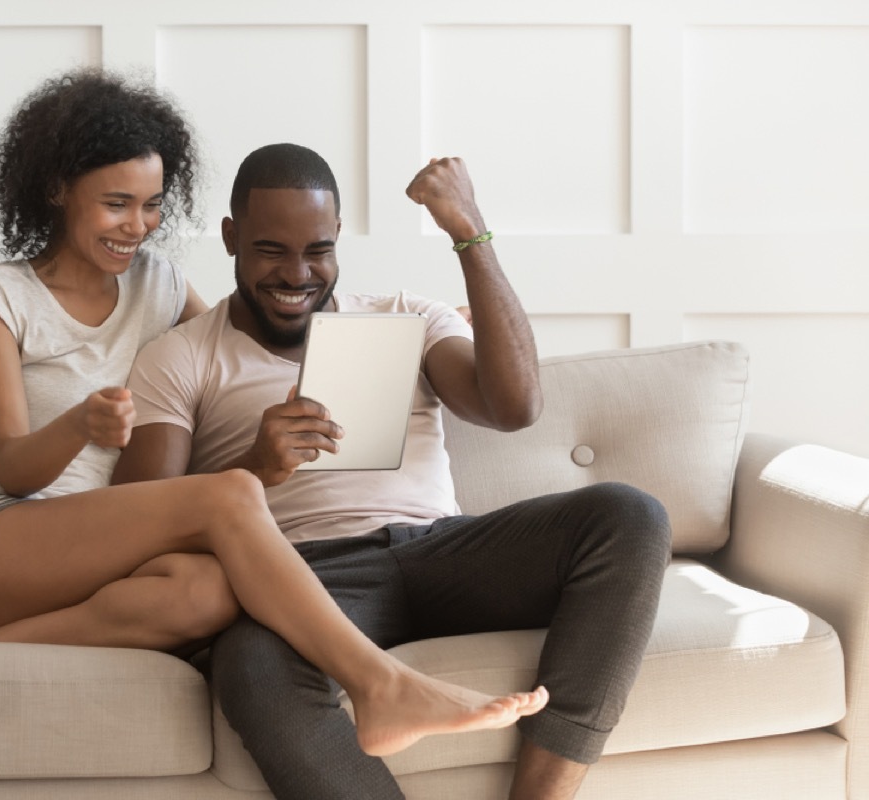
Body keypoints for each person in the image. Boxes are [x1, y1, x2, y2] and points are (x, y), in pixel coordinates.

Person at [0, 70, 548, 759]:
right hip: (0, 538)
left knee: (210, 594)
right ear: (55, 189)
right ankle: (380, 684)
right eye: (116, 203)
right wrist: (83, 425)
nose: (137, 227)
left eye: (151, 205)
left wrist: (421, 329)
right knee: (231, 492)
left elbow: (239, 352)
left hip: (115, 543)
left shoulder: (160, 283)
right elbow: (16, 466)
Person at [111, 143, 673, 799]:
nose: (297, 274)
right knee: (248, 660)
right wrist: (253, 471)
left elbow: (515, 407)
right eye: (271, 250)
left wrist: (469, 231)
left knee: (630, 516)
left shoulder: (408, 316)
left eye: (317, 249)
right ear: (232, 237)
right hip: (310, 575)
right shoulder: (180, 357)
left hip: (445, 550)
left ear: (339, 237)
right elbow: (135, 527)